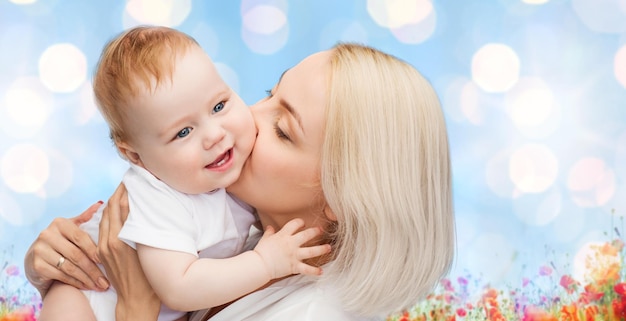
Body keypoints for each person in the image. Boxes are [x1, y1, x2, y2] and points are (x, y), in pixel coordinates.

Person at [25, 43, 456, 320]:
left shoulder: (312, 313)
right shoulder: (241, 230)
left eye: (283, 130)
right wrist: (64, 265)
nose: (247, 117)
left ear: (342, 197)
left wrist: (136, 310)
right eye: (269, 93)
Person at [36, 26, 330, 321]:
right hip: (88, 295)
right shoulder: (156, 197)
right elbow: (180, 286)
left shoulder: (230, 181)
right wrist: (264, 263)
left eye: (219, 105)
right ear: (136, 156)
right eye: (183, 132)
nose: (214, 135)